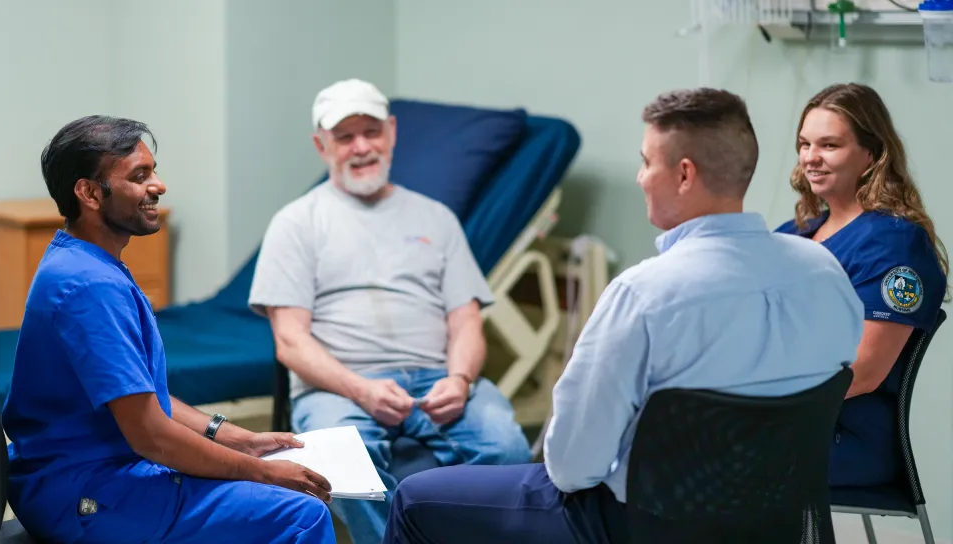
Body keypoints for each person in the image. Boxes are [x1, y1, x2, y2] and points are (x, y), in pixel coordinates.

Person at [379, 88, 867, 544]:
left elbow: (571, 469)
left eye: (645, 162)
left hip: (633, 527)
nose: (639, 178)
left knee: (416, 497)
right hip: (769, 523)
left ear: (683, 174)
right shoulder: (823, 271)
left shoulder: (644, 294)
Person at [0, 116, 337, 544]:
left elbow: (142, 398)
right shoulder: (90, 286)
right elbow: (151, 435)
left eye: (153, 170)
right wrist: (264, 471)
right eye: (139, 176)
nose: (158, 185)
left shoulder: (87, 262)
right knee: (300, 515)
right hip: (86, 495)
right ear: (88, 193)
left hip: (80, 477)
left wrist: (239, 439)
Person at [248, 79, 532, 544]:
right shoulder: (297, 223)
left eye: (372, 131)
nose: (362, 147)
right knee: (347, 475)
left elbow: (465, 321)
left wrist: (459, 381)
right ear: (321, 145)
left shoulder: (436, 218)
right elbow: (291, 341)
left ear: (393, 132)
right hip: (338, 385)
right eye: (345, 137)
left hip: (436, 378)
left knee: (507, 447)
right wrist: (360, 389)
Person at [775, 83, 949, 487]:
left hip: (842, 436)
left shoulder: (894, 243)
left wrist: (756, 402)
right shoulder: (793, 235)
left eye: (829, 145)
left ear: (871, 155)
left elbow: (865, 370)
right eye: (804, 144)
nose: (811, 158)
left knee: (692, 457)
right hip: (780, 421)